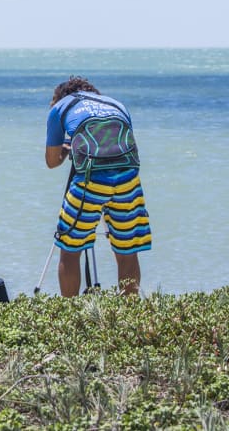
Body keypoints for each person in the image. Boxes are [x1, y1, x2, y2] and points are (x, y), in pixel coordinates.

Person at [45, 75, 151, 297]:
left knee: (70, 250)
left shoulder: (60, 108)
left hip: (90, 180)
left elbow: (52, 161)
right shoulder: (116, 104)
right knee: (127, 252)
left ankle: (71, 316)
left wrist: (66, 146)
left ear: (59, 97)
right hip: (128, 176)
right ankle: (130, 315)